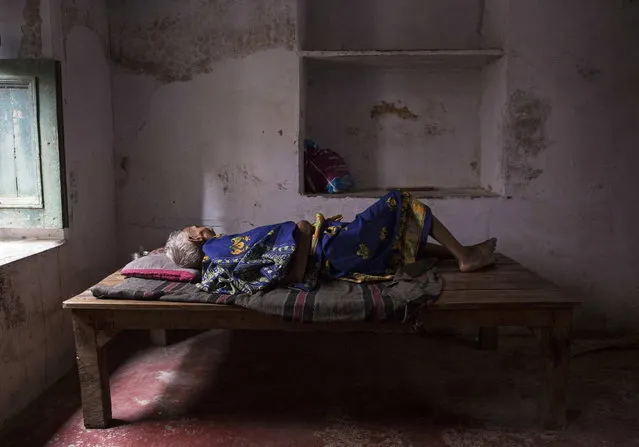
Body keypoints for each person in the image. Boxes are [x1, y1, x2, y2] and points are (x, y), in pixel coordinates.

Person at [164, 190, 497, 295]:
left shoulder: (217, 257)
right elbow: (288, 272)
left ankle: (460, 254)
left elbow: (262, 259)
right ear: (194, 236)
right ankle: (465, 256)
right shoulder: (217, 250)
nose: (201, 226)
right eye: (195, 227)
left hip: (330, 246)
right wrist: (305, 231)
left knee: (392, 238)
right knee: (403, 202)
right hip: (329, 251)